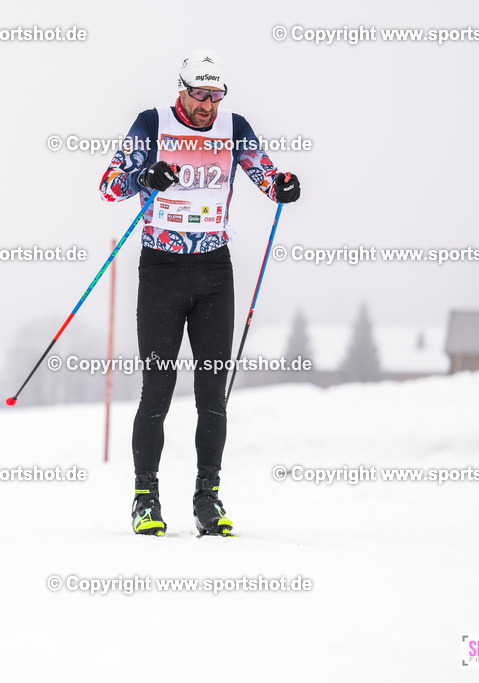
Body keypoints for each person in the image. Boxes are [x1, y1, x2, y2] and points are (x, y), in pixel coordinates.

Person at [100, 49, 301, 536]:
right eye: (201, 95)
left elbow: (265, 175)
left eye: (216, 96)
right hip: (162, 269)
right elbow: (109, 186)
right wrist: (143, 177)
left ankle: (207, 498)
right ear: (182, 91)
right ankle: (145, 498)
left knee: (213, 394)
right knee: (158, 390)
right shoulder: (151, 124)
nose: (209, 106)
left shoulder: (235, 127)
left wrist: (284, 185)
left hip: (214, 271)